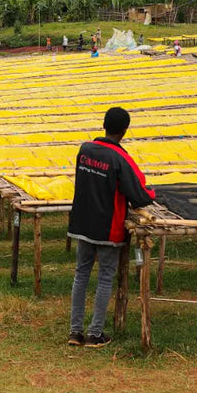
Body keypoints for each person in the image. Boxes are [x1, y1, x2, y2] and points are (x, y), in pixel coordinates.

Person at [66, 106, 158, 347]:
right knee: (106, 277)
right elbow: (139, 194)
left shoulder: (84, 150)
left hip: (83, 222)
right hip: (108, 226)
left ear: (104, 125)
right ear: (124, 130)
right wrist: (152, 193)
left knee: (81, 274)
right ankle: (95, 333)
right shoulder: (120, 158)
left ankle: (75, 332)